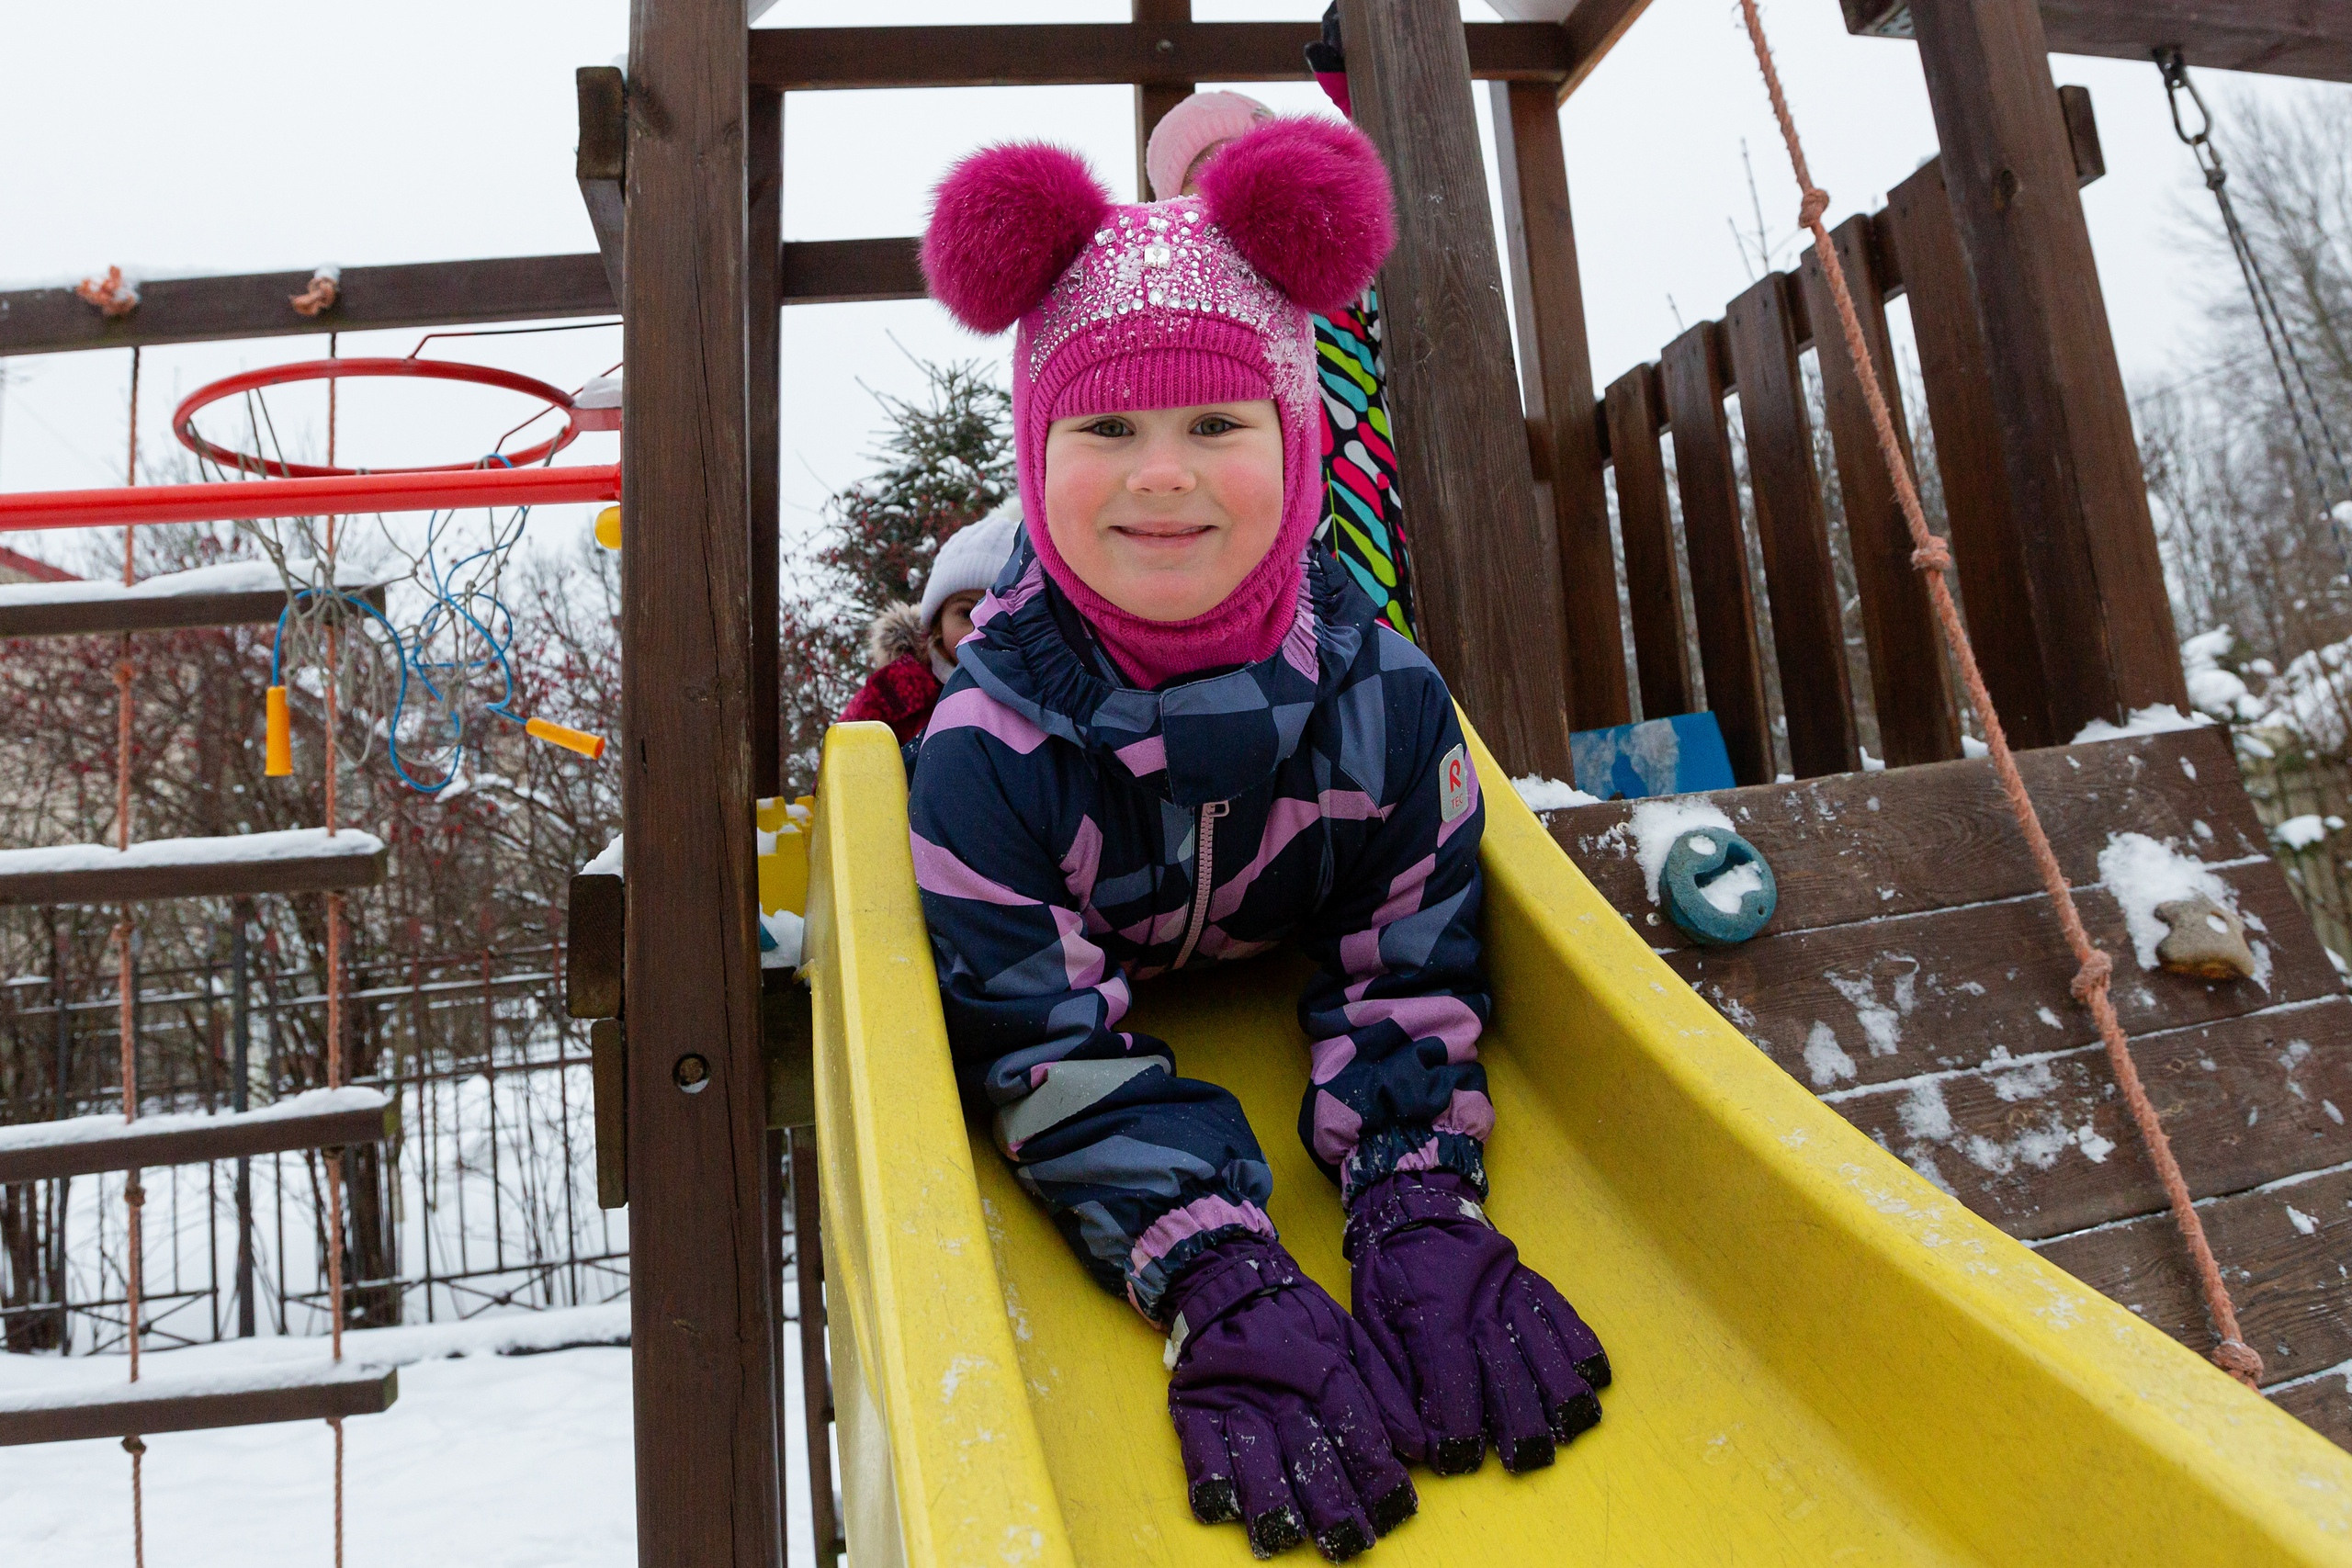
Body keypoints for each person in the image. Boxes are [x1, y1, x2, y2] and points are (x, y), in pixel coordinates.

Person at [911, 118, 1607, 1562]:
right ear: (1039, 458)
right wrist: (1214, 1260)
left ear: (1292, 441)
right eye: (1106, 428)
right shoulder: (990, 757)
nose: (1161, 476)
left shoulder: (1388, 703)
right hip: (1109, 1018)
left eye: (1217, 425)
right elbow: (1033, 1040)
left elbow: (1412, 959)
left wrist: (1415, 1184)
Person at [1145, 84, 1418, 644]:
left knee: (1375, 635)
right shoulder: (1185, 294)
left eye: (1248, 156)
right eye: (1206, 167)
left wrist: (1353, 96)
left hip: (1355, 477)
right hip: (1250, 496)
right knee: (1277, 634)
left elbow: (1412, 312)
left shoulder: (1340, 273)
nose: (1231, 177)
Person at [838, 502, 1020, 743]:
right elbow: (843, 763)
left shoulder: (1048, 695)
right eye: (966, 613)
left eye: (1001, 615)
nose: (981, 629)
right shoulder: (895, 691)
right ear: (937, 621)